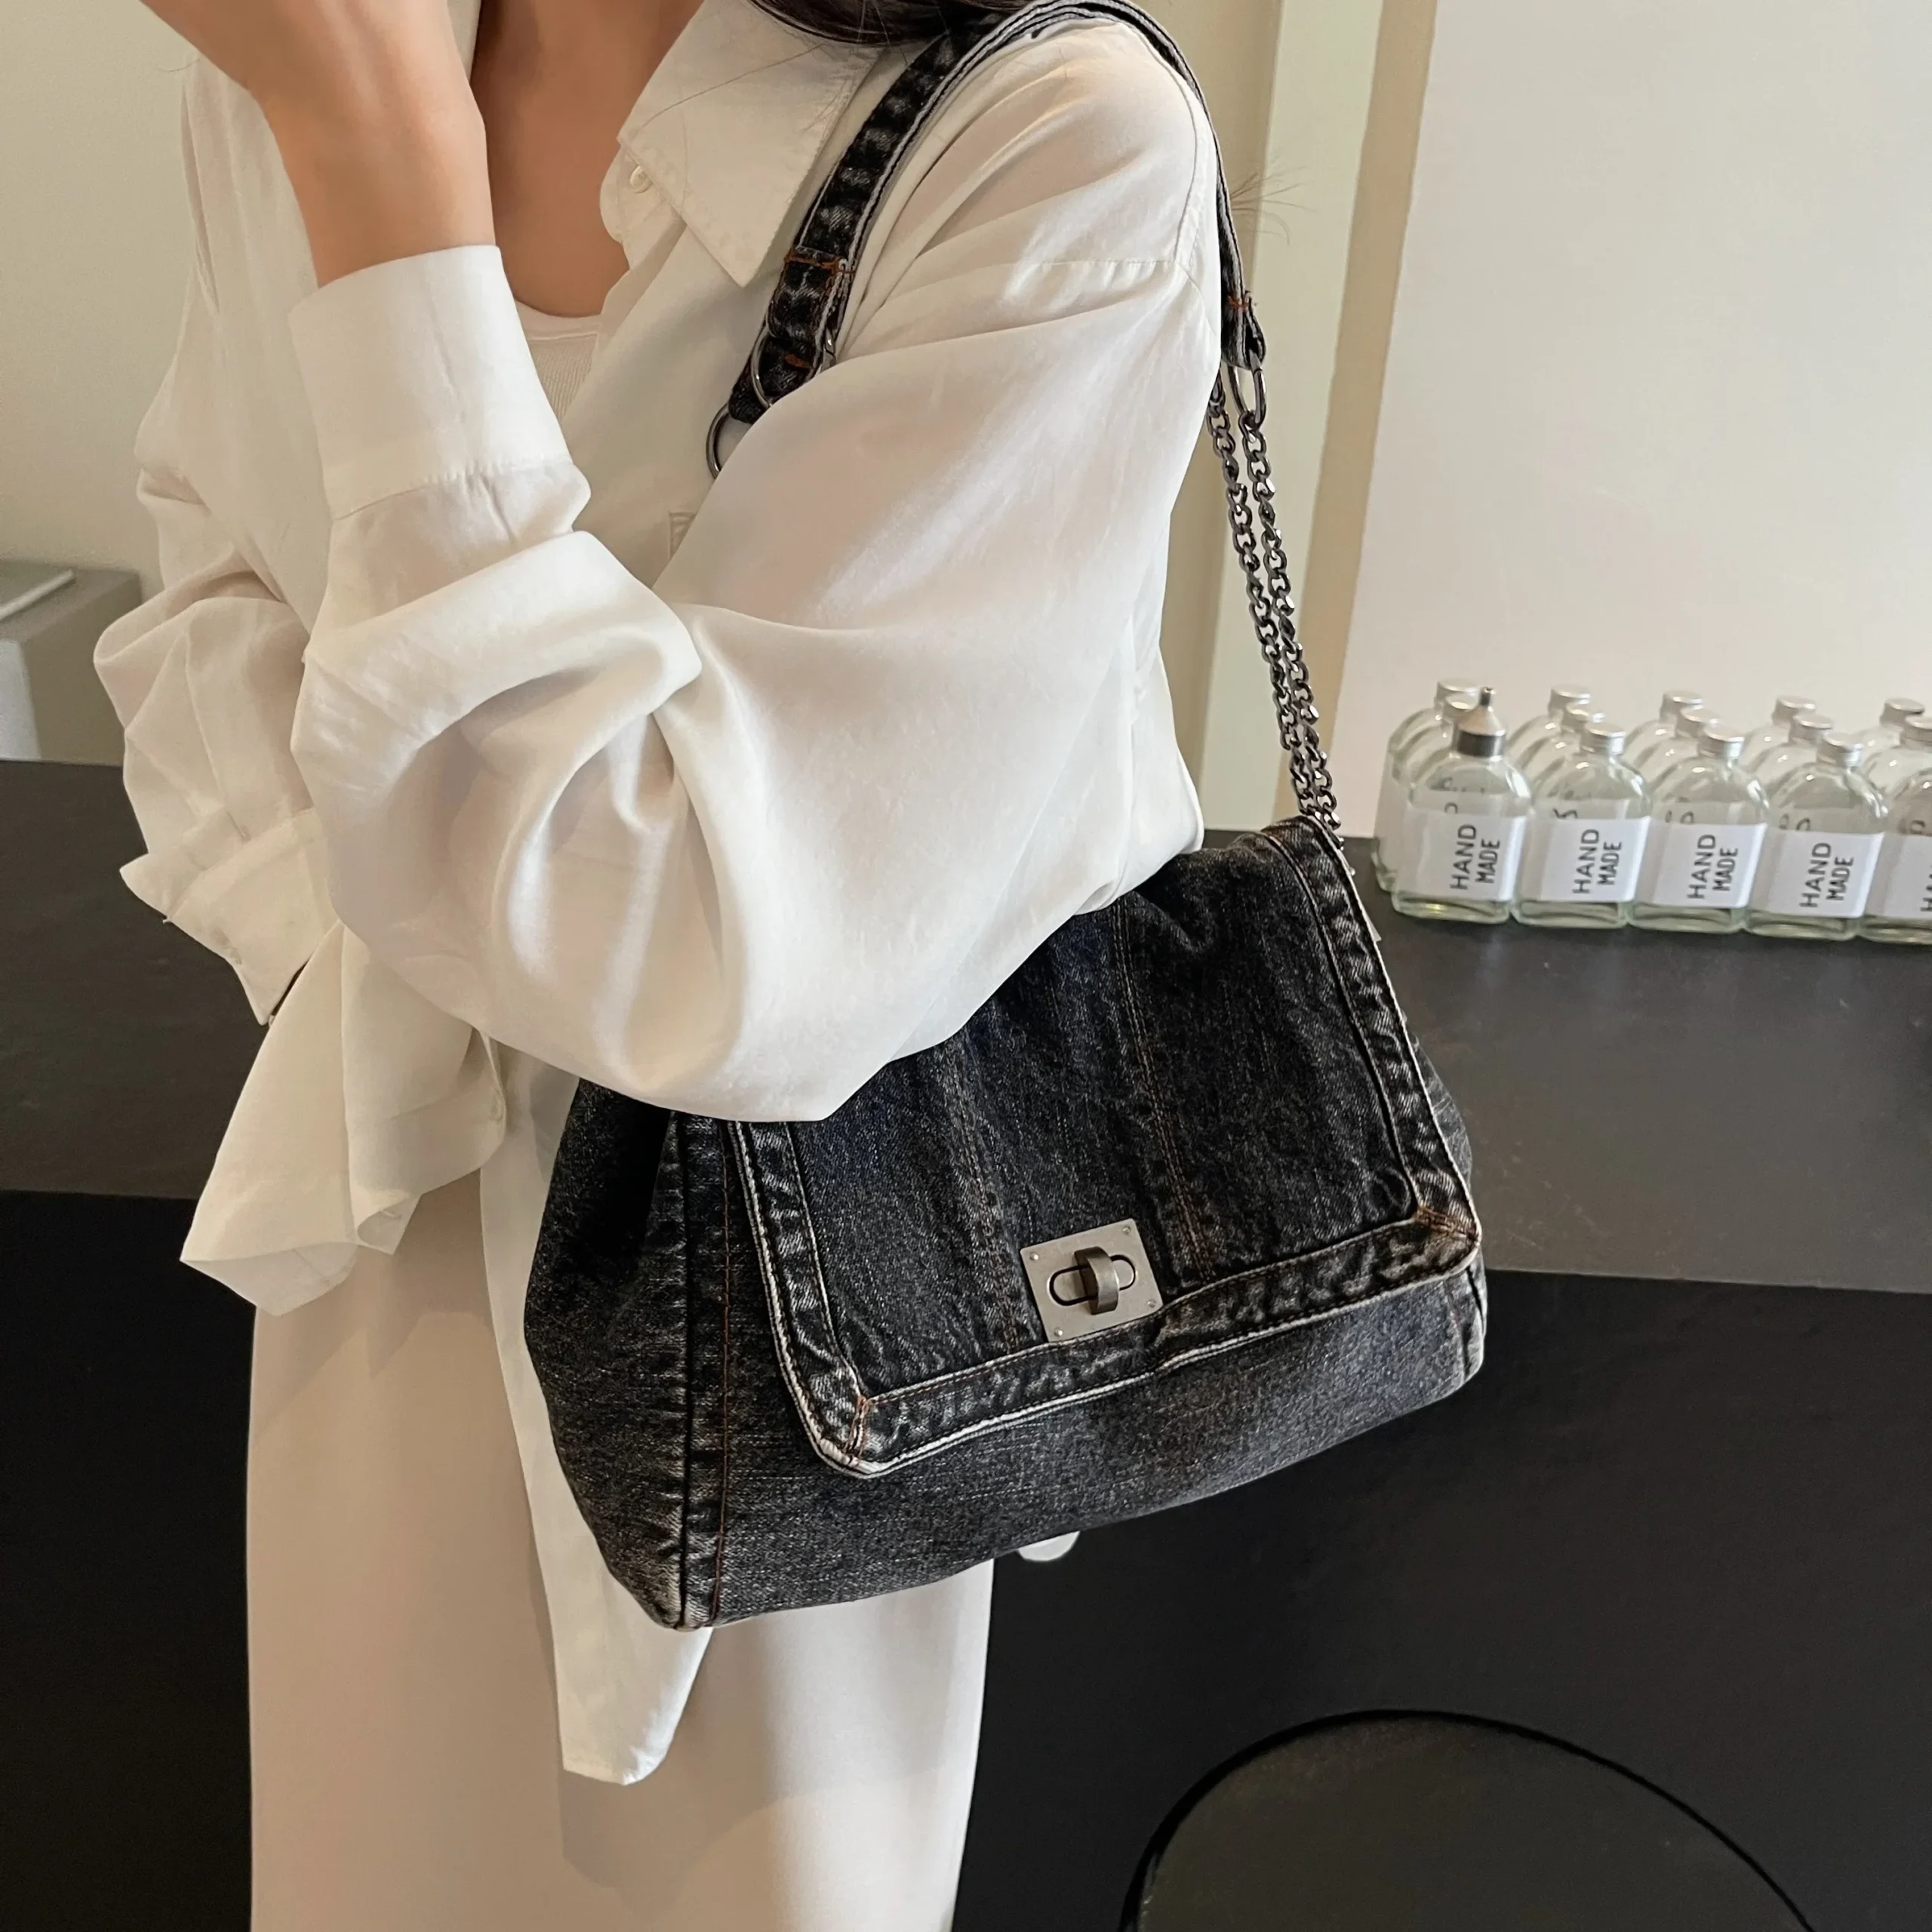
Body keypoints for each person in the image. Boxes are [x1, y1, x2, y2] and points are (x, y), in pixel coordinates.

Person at [97, 0, 1220, 1923]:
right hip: (391, 1234)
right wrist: (392, 964)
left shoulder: (1045, 135)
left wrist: (382, 159)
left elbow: (706, 942)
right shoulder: (299, 48)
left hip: (799, 1336)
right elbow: (207, 587)